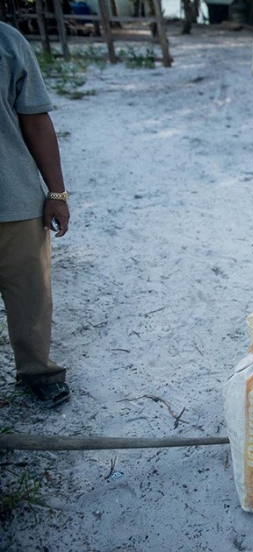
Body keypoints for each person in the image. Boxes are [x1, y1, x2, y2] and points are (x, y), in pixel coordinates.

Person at [1, 22, 72, 406]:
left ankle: (37, 371)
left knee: (30, 295)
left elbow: (35, 119)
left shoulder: (7, 42)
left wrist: (56, 192)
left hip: (14, 198)